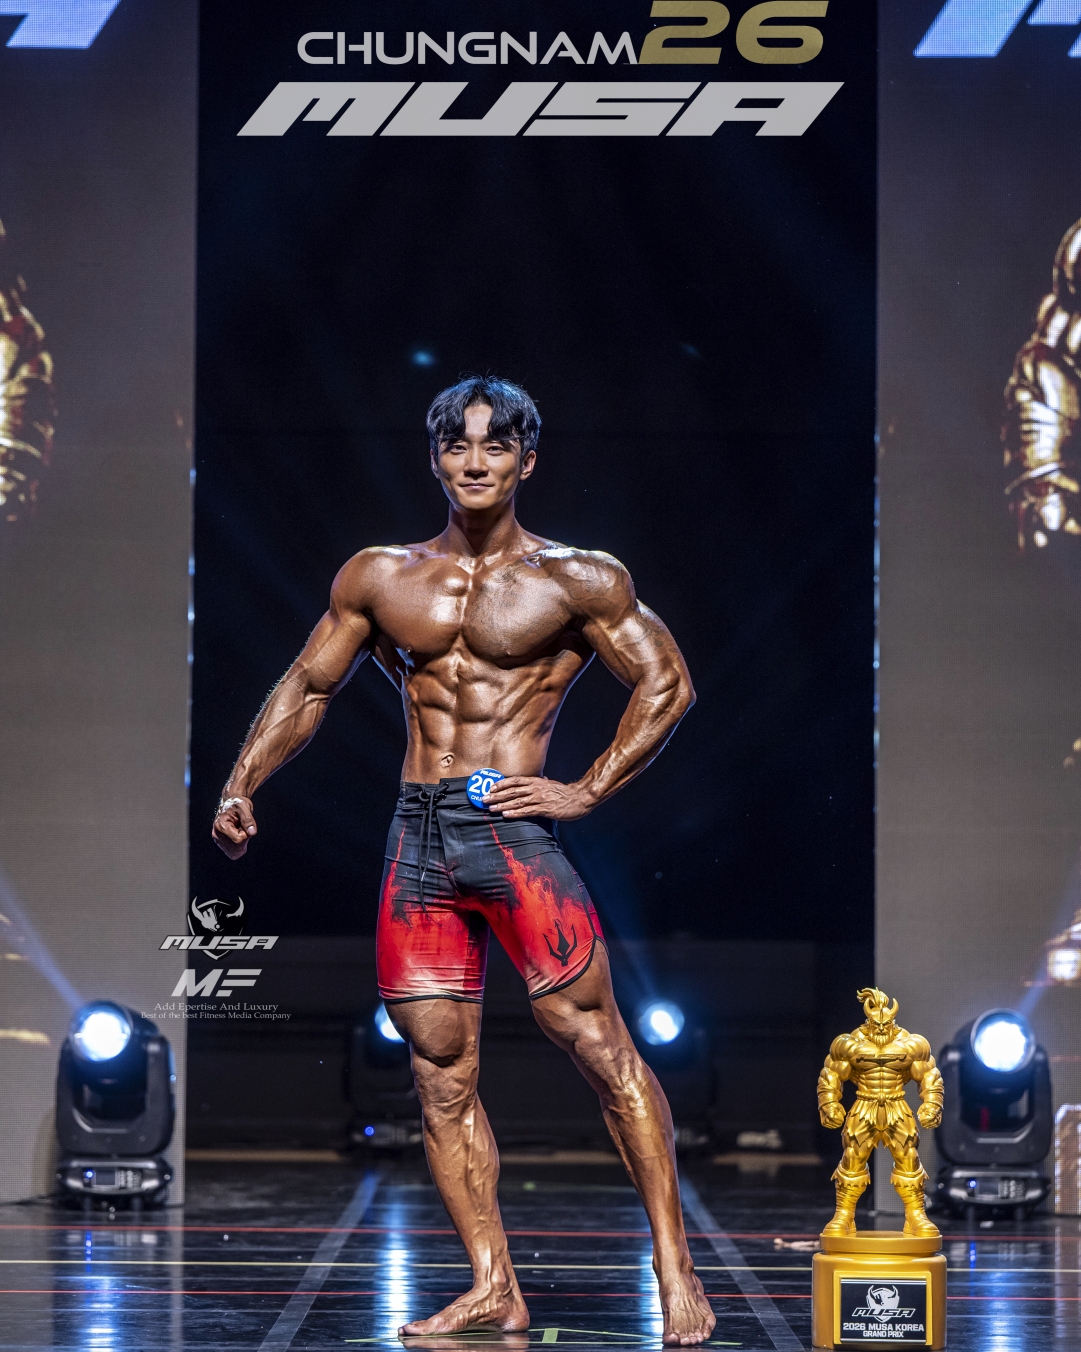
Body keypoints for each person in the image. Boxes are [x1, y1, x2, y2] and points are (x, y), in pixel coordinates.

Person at [212, 376, 713, 1345]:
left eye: (494, 445)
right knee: (439, 1073)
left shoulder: (577, 578)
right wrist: (242, 781)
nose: (474, 461)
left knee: (598, 1045)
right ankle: (493, 1285)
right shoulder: (379, 575)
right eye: (457, 445)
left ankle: (673, 1263)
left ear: (527, 460)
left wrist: (586, 789)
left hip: (510, 831)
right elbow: (308, 684)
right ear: (434, 458)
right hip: (419, 839)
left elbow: (667, 682)